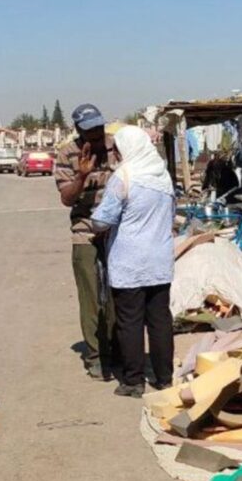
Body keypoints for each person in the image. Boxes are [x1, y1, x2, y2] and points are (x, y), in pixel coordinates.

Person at [91, 125, 175, 398]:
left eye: (116, 148)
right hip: (160, 260)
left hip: (129, 262)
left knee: (130, 322)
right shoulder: (163, 176)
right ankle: (164, 378)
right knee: (160, 320)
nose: (114, 153)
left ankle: (133, 381)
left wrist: (94, 222)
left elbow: (103, 220)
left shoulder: (123, 177)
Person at [54, 104, 120, 380]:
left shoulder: (117, 146)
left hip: (117, 231)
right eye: (89, 129)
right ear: (79, 130)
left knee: (119, 294)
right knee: (90, 296)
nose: (96, 134)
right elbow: (67, 198)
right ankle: (95, 355)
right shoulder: (67, 153)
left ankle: (117, 350)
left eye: (98, 127)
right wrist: (81, 175)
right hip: (85, 230)